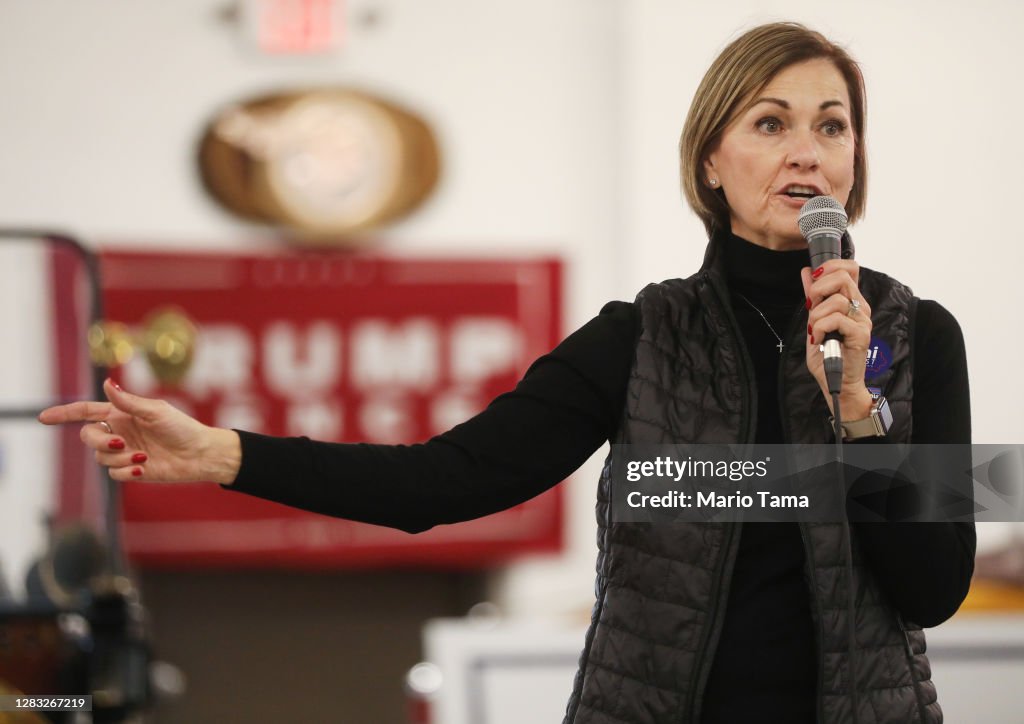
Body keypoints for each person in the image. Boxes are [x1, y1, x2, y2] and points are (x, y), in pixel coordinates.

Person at [39, 21, 974, 724]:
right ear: (711, 163)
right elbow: (442, 483)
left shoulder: (917, 337)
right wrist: (224, 455)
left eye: (834, 126)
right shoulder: (641, 339)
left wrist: (858, 415)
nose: (808, 150)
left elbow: (934, 592)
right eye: (771, 122)